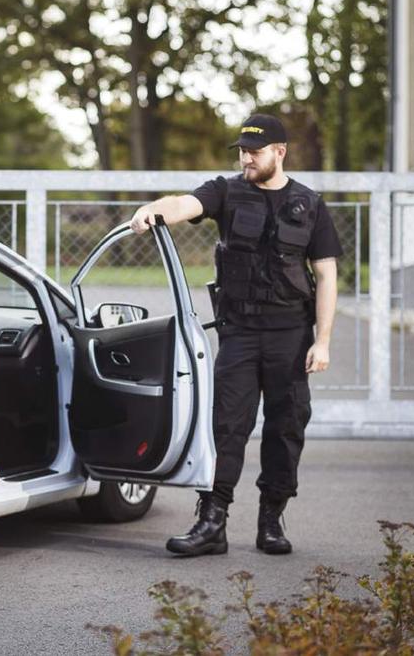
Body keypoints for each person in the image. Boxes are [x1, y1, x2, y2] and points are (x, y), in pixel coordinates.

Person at [129, 113, 341, 556]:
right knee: (226, 427)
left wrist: (322, 341)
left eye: (255, 151)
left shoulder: (310, 204)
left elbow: (326, 275)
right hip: (241, 332)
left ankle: (271, 521)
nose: (246, 157)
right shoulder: (226, 191)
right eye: (242, 150)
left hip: (291, 334)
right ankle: (212, 521)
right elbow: (183, 203)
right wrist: (153, 209)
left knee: (286, 428)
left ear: (279, 153)